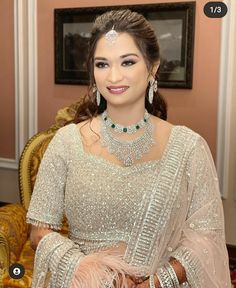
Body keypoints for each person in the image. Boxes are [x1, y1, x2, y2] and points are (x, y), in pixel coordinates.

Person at [26, 9, 231, 288]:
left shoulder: (188, 148)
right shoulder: (66, 142)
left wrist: (158, 281)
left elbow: (205, 238)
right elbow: (39, 231)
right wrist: (90, 269)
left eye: (127, 62)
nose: (113, 76)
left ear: (153, 66)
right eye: (102, 64)